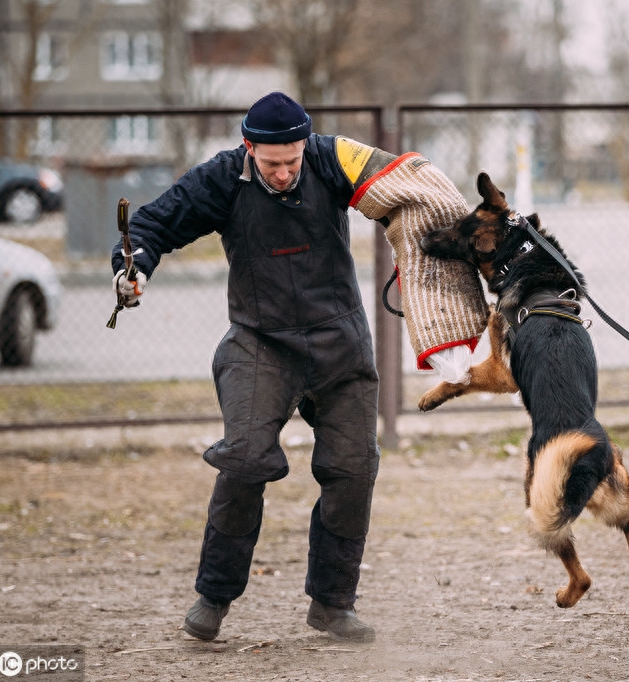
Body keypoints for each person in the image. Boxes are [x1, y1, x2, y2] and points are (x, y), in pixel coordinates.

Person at [111, 92, 487, 642]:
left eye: (292, 161)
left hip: (340, 343)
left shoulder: (331, 157)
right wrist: (132, 268)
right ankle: (213, 596)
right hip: (261, 344)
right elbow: (150, 226)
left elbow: (409, 186)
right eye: (272, 164)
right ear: (249, 149)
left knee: (354, 468)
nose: (285, 172)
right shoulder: (219, 178)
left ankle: (333, 604)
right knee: (243, 461)